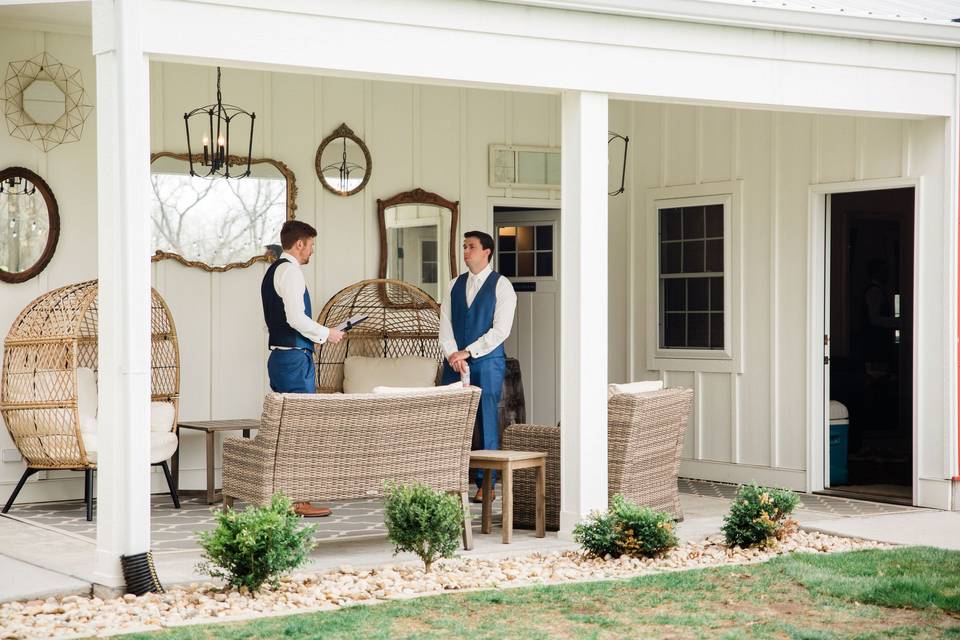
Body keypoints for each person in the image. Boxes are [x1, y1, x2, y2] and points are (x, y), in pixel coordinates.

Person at [261, 220, 344, 517]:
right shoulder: (292, 272)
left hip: (282, 358)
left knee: (288, 429)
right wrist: (327, 334)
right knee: (300, 430)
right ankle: (297, 500)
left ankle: (286, 496)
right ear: (299, 244)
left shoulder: (273, 271)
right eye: (311, 246)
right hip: (295, 359)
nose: (311, 252)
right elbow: (296, 318)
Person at [440, 230, 517, 503]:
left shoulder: (502, 286)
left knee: (486, 422)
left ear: (487, 251)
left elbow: (501, 331)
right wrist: (453, 354)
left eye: (470, 247)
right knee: (448, 421)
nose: (465, 252)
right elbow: (445, 325)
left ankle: (488, 483)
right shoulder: (453, 285)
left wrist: (469, 352)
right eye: (463, 247)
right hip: (453, 363)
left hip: (487, 362)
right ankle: (448, 481)